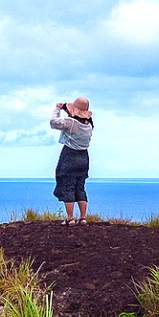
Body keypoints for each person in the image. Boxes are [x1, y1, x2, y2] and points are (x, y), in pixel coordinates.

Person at [50, 96, 93, 226]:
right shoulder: (89, 124)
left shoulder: (70, 123)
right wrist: (67, 109)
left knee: (67, 185)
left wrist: (57, 109)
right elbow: (77, 117)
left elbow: (53, 122)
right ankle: (83, 217)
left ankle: (70, 218)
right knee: (80, 186)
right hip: (84, 157)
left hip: (70, 155)